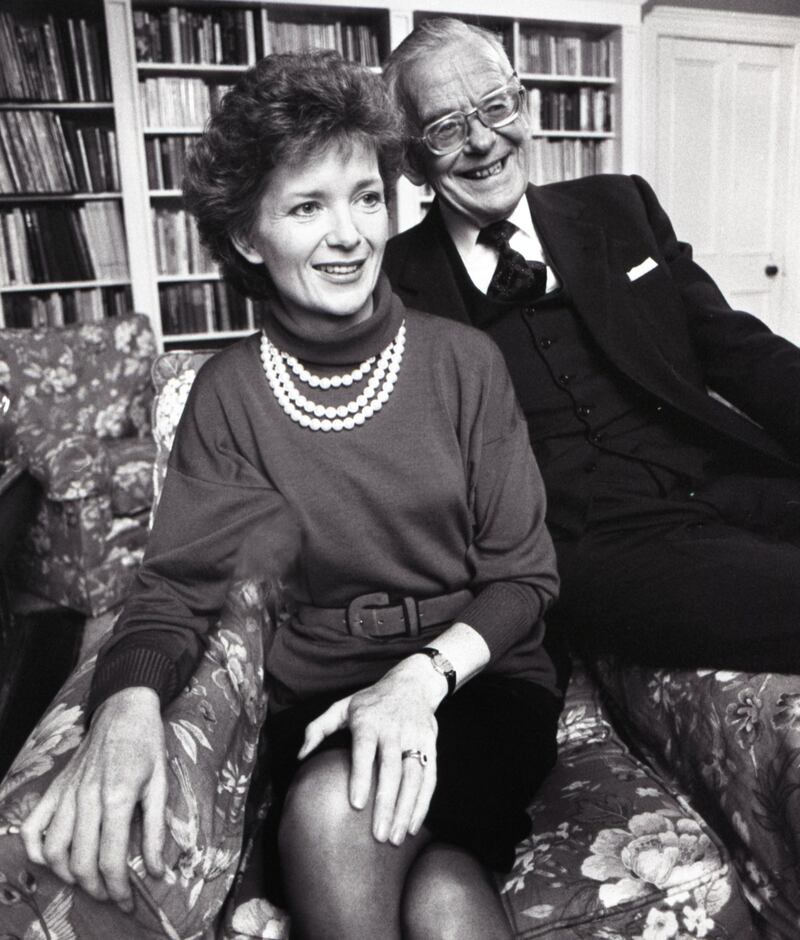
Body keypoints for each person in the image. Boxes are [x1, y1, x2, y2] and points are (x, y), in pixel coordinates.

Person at [19, 51, 563, 940]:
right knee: (431, 889)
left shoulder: (464, 363)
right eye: (308, 206)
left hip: (478, 679)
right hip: (320, 699)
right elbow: (174, 590)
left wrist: (415, 686)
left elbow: (525, 578)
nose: (348, 233)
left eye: (366, 196)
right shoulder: (227, 396)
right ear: (246, 236)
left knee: (340, 821)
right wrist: (123, 708)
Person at [382, 17, 800, 675]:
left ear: (524, 105)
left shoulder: (619, 205)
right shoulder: (386, 288)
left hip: (726, 477)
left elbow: (738, 349)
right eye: (446, 128)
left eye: (496, 107)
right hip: (598, 543)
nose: (484, 142)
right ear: (410, 159)